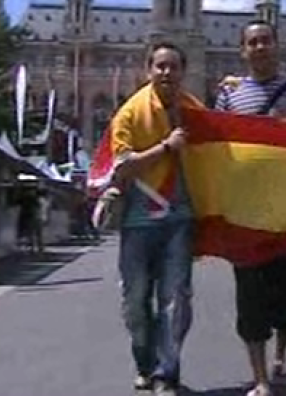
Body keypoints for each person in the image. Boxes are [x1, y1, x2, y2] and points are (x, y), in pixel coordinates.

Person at [213, 19, 286, 396]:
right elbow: (217, 146)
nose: (259, 47)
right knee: (251, 292)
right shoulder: (230, 95)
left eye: (265, 41)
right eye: (252, 42)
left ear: (277, 46)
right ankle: (259, 378)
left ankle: (280, 360)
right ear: (242, 50)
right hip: (247, 210)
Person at [91, 42, 203, 396]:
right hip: (139, 222)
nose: (167, 72)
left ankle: (165, 374)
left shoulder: (194, 109)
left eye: (173, 66)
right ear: (149, 70)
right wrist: (166, 147)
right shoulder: (130, 112)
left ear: (183, 71)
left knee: (176, 299)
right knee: (136, 301)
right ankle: (145, 362)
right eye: (160, 66)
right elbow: (121, 168)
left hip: (179, 221)